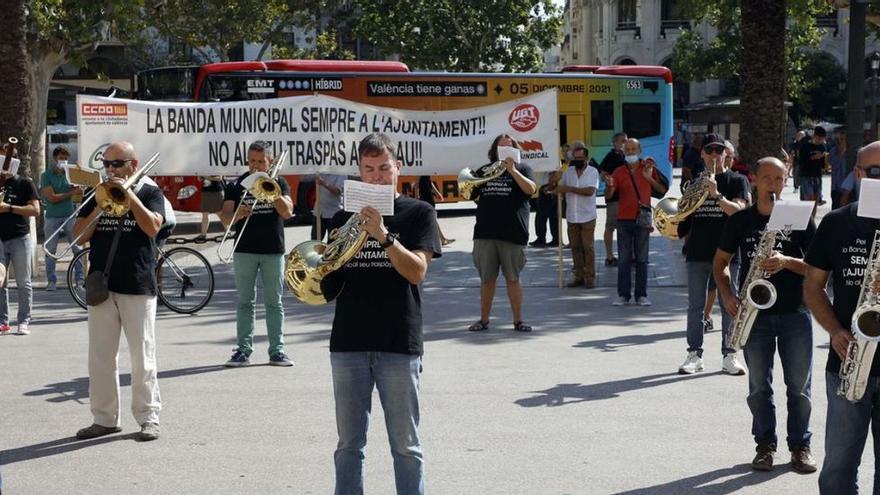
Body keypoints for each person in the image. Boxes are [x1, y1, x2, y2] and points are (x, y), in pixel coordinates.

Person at [325, 133, 441, 495]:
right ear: (359, 172)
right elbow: (328, 284)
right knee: (348, 445)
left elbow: (416, 272)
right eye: (368, 169)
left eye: (383, 168)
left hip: (397, 341)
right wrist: (314, 270)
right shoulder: (344, 216)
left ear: (398, 169)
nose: (376, 176)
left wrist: (383, 236)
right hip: (348, 342)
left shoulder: (419, 212)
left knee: (406, 446)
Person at [714, 157, 817, 473]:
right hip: (754, 314)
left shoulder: (799, 217)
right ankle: (765, 446)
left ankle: (801, 446)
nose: (774, 184)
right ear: (755, 180)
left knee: (799, 387)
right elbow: (720, 265)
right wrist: (729, 296)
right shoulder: (740, 220)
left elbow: (817, 268)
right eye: (767, 178)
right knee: (759, 386)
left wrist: (786, 261)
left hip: (795, 312)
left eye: (779, 178)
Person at [72, 141, 164, 441]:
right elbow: (79, 236)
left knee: (142, 357)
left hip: (137, 283)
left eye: (117, 164)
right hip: (102, 283)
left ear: (132, 165)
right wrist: (101, 202)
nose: (110, 170)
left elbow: (152, 228)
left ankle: (149, 417)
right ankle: (104, 418)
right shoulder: (95, 193)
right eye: (107, 164)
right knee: (100, 356)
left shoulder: (150, 191)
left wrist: (129, 196)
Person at [805, 141, 880, 493]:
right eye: (877, 172)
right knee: (838, 467)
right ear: (859, 174)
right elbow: (813, 286)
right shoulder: (836, 223)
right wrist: (834, 331)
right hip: (847, 362)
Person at [676, 133, 750, 376]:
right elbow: (684, 219)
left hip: (728, 254)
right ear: (702, 154)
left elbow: (738, 213)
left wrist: (717, 194)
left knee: (730, 304)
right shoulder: (692, 184)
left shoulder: (737, 181)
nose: (715, 156)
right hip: (698, 251)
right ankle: (694, 354)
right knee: (695, 306)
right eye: (710, 151)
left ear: (727, 154)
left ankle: (730, 354)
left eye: (720, 151)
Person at [220, 141, 294, 367]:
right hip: (244, 250)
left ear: (269, 161)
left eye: (260, 161)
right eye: (252, 161)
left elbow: (288, 212)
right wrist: (237, 215)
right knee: (245, 302)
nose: (255, 165)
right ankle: (243, 350)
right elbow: (224, 219)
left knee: (274, 302)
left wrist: (272, 192)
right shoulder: (238, 184)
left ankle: (277, 351)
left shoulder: (279, 182)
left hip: (273, 250)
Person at [468, 134, 537, 333]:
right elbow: (472, 194)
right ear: (495, 150)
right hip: (485, 232)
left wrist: (512, 170)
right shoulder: (484, 170)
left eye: (510, 147)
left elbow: (530, 189)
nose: (506, 150)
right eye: (502, 147)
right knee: (487, 279)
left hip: (513, 233)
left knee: (513, 279)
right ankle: (483, 320)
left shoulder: (523, 169)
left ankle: (518, 321)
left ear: (516, 151)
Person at [605, 138, 668, 306]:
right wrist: (610, 186)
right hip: (623, 219)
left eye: (634, 149)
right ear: (623, 152)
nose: (631, 152)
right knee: (624, 259)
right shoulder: (618, 171)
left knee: (642, 259)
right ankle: (623, 295)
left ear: (640, 150)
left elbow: (662, 190)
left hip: (642, 218)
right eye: (628, 150)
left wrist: (649, 178)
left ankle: (641, 295)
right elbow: (608, 197)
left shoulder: (647, 168)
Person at [0, 148, 40, 335]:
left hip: (19, 238)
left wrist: (8, 208)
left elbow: (35, 210)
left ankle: (24, 320)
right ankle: (3, 321)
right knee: (1, 282)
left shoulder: (25, 183)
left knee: (23, 283)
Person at [40, 145, 83, 291]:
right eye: (61, 158)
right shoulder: (46, 175)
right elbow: (51, 198)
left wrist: (79, 173)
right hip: (52, 217)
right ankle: (51, 281)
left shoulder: (70, 174)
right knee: (50, 250)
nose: (63, 161)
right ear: (54, 159)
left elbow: (80, 192)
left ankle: (79, 280)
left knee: (77, 248)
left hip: (70, 215)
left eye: (66, 158)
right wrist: (71, 193)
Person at [558, 142, 599, 288]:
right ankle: (579, 276)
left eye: (580, 159)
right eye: (575, 158)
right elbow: (559, 187)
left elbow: (589, 191)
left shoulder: (593, 171)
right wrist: (555, 181)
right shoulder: (568, 172)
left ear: (586, 158)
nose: (577, 161)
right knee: (575, 247)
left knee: (588, 247)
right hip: (572, 216)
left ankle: (590, 278)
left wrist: (568, 188)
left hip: (587, 215)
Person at [599, 132, 627, 265]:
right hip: (614, 197)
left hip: (626, 197)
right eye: (622, 141)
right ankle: (609, 256)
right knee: (611, 226)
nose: (624, 143)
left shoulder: (625, 156)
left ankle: (626, 254)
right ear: (615, 143)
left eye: (625, 141)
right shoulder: (611, 156)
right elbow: (603, 174)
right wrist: (610, 182)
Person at [416, 175, 454, 246]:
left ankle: (442, 239)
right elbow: (416, 185)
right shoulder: (420, 171)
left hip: (429, 198)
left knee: (431, 219)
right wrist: (417, 198)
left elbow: (430, 182)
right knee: (431, 219)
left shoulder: (427, 170)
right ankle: (442, 239)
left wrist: (437, 193)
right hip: (425, 198)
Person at [797, 126, 828, 203]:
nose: (821, 141)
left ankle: (813, 215)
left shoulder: (822, 147)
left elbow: (823, 165)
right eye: (820, 139)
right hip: (806, 175)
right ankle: (808, 214)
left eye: (822, 139)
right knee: (809, 198)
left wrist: (825, 160)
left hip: (817, 175)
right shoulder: (805, 146)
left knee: (816, 199)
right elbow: (801, 161)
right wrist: (813, 157)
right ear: (815, 136)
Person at [529, 170, 559, 248]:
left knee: (542, 216)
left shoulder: (550, 160)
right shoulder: (548, 160)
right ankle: (555, 239)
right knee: (552, 216)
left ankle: (542, 239)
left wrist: (549, 186)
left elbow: (554, 173)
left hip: (547, 187)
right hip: (548, 186)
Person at [312, 173, 346, 242]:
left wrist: (323, 183)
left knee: (332, 240)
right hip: (319, 211)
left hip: (333, 213)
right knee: (315, 240)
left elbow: (338, 191)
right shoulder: (320, 172)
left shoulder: (341, 174)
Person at [195, 176, 224, 242]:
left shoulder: (216, 166)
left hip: (216, 192)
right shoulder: (204, 168)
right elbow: (199, 179)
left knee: (219, 213)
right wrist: (201, 177)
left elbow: (219, 178)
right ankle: (203, 234)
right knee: (205, 214)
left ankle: (228, 231)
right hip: (205, 192)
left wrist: (207, 177)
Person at [829, 128, 848, 209]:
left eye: (842, 139)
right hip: (836, 187)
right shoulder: (833, 151)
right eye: (838, 139)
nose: (840, 141)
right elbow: (834, 166)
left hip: (847, 188)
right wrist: (840, 153)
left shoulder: (851, 152)